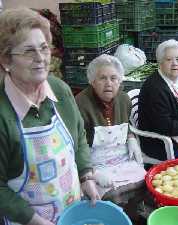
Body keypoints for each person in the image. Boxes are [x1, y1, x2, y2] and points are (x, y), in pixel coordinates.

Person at [0, 8, 99, 225]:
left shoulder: (60, 90)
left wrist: (86, 175)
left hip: (71, 209)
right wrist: (33, 220)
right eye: (28, 51)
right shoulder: (3, 114)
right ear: (6, 60)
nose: (41, 59)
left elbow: (79, 136)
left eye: (44, 48)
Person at [75, 54, 146, 214]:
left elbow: (126, 125)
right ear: (92, 81)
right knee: (112, 194)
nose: (109, 83)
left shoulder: (124, 99)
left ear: (120, 81)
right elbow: (77, 145)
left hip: (121, 157)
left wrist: (131, 138)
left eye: (114, 78)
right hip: (94, 162)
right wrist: (92, 172)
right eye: (102, 78)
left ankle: (134, 215)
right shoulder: (80, 103)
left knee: (146, 182)